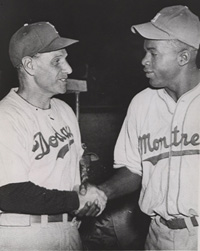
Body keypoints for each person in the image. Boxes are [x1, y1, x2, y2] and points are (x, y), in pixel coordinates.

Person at [97, 5, 200, 250]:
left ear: (183, 57)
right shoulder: (142, 103)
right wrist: (101, 192)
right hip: (157, 236)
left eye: (153, 53)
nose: (144, 61)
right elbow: (134, 169)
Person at [0, 21, 107, 251]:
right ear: (29, 65)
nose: (68, 68)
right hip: (25, 236)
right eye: (57, 61)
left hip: (68, 230)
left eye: (66, 59)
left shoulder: (64, 110)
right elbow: (10, 193)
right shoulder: (6, 116)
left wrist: (86, 192)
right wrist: (77, 200)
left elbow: (75, 177)